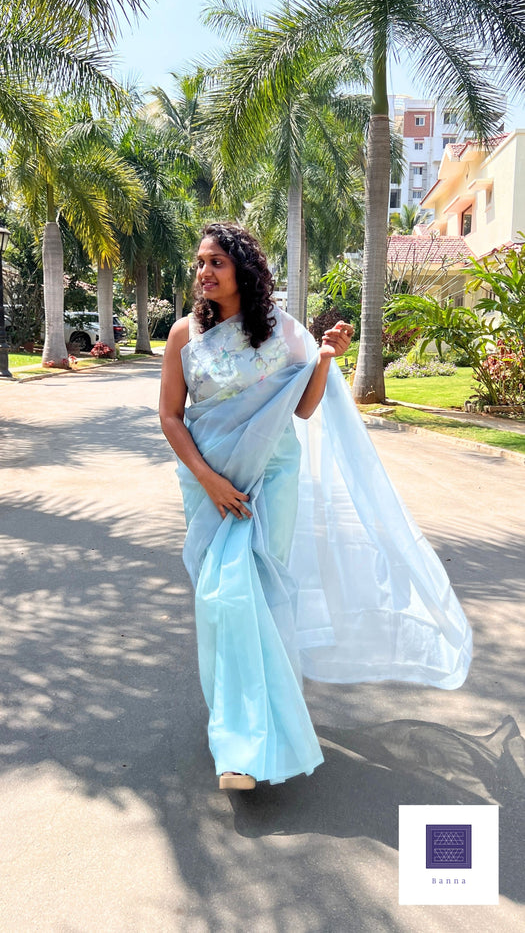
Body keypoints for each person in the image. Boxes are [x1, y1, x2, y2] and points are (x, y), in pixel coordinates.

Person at [159, 221, 472, 791]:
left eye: (216, 264)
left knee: (258, 598)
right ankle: (238, 734)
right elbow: (170, 418)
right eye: (200, 262)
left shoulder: (280, 331)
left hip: (270, 479)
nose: (204, 272)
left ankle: (245, 749)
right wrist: (209, 481)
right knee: (220, 601)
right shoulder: (183, 335)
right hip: (210, 486)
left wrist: (327, 357)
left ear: (243, 272)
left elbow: (302, 410)